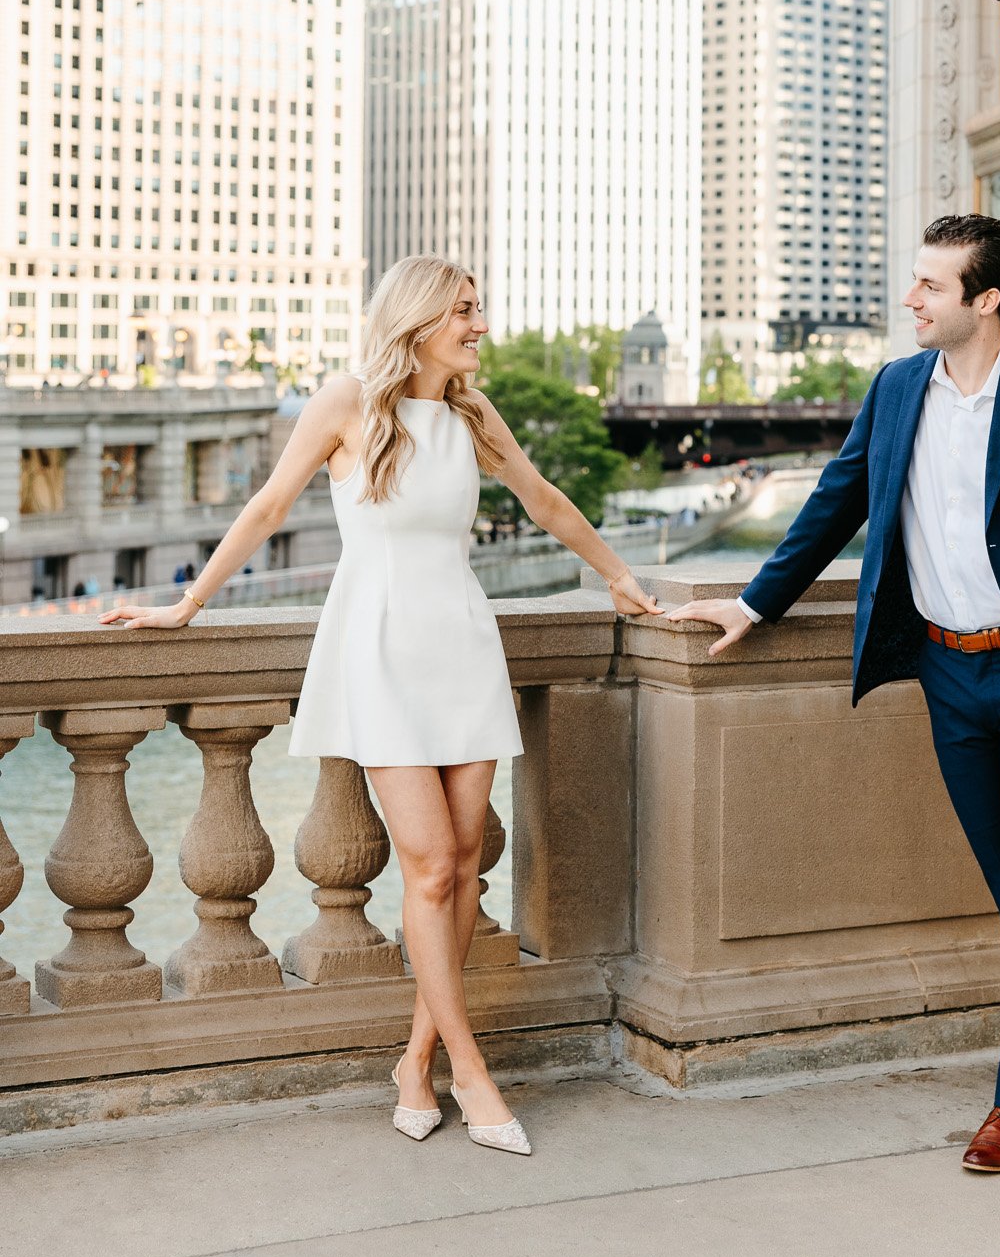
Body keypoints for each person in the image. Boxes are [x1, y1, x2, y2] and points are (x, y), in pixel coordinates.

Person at [99, 254, 662, 1159]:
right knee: (432, 864)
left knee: (463, 866)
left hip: (463, 647)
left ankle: (413, 1062)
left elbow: (545, 499)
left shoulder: (472, 412)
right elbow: (267, 505)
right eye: (465, 312)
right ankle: (471, 1074)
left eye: (479, 309)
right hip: (381, 650)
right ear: (421, 318)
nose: (480, 326)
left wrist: (621, 578)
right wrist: (186, 604)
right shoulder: (346, 402)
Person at [670, 214, 1000, 1175]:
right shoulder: (895, 390)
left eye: (929, 286)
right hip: (947, 673)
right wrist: (754, 603)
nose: (909, 300)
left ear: (985, 300)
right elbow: (836, 501)